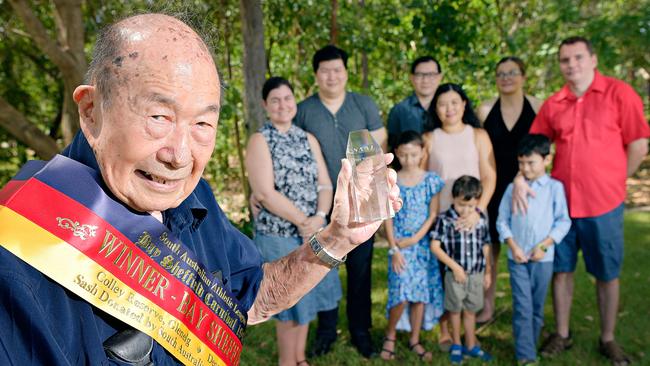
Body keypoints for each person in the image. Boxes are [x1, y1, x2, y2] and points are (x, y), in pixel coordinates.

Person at [0, 14, 402, 365]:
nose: (179, 155)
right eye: (159, 116)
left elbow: (253, 296)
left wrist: (337, 238)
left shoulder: (195, 197)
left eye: (202, 125)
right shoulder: (17, 249)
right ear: (91, 112)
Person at [515, 36, 649, 365]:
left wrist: (617, 180)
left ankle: (608, 338)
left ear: (592, 58)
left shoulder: (620, 93)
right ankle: (561, 333)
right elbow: (534, 146)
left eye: (577, 57)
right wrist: (521, 177)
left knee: (606, 273)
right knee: (561, 271)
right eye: (564, 60)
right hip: (559, 207)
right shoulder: (554, 102)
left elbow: (639, 143)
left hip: (604, 204)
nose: (571, 64)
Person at [294, 44, 388, 358]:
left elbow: (380, 147)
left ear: (346, 73)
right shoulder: (304, 110)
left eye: (337, 69)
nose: (332, 76)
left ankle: (361, 332)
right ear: (316, 75)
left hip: (361, 204)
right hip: (320, 206)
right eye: (325, 70)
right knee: (322, 268)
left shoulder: (363, 105)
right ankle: (325, 332)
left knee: (361, 272)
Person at [246, 77, 342, 366]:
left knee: (306, 297)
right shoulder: (260, 139)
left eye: (287, 98)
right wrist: (303, 222)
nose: (282, 105)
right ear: (265, 105)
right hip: (279, 234)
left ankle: (300, 359)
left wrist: (319, 218)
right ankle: (287, 361)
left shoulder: (307, 138)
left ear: (294, 101)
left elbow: (325, 185)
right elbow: (264, 191)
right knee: (286, 302)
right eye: (274, 100)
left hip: (312, 231)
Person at [423, 83, 496, 350]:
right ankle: (445, 328)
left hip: (473, 217)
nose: (449, 108)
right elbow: (423, 180)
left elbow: (489, 176)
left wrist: (478, 211)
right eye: (442, 104)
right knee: (444, 274)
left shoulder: (478, 135)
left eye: (455, 102)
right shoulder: (430, 138)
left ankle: (469, 330)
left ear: (464, 105)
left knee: (470, 274)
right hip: (443, 219)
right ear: (436, 109)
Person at [475, 57, 543, 323]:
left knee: (526, 245)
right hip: (492, 185)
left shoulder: (537, 106)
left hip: (526, 186)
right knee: (490, 248)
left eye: (513, 72)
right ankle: (487, 305)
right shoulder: (485, 109)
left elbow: (544, 147)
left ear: (523, 76)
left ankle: (528, 311)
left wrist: (525, 176)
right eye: (501, 73)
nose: (507, 77)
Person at [496, 134, 571, 365]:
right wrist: (513, 245)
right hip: (517, 257)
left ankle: (531, 340)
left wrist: (544, 246)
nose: (525, 168)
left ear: (546, 160)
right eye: (521, 163)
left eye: (531, 163)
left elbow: (563, 221)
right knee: (523, 306)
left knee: (537, 307)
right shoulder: (512, 188)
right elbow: (502, 220)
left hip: (543, 258)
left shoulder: (555, 189)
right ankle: (526, 355)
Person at [380, 131, 445, 361]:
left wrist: (416, 238)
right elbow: (387, 215)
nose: (408, 159)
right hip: (398, 246)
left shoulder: (431, 180)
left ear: (422, 153)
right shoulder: (391, 180)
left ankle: (415, 338)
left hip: (421, 246)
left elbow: (433, 213)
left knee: (419, 294)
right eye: (404, 155)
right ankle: (390, 335)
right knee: (401, 293)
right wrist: (394, 248)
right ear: (397, 153)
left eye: (413, 154)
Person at [430, 176, 493, 364]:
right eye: (460, 205)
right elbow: (435, 246)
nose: (465, 211)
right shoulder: (445, 220)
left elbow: (486, 245)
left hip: (476, 273)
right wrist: (455, 267)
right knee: (455, 310)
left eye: (470, 206)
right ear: (453, 199)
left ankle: (472, 344)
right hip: (454, 275)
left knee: (471, 310)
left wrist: (488, 270)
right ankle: (457, 343)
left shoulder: (480, 220)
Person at [387, 56, 443, 151]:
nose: (425, 80)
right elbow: (392, 146)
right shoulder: (399, 110)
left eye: (431, 74)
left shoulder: (451, 109)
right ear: (411, 77)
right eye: (419, 75)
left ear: (440, 77)